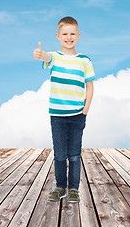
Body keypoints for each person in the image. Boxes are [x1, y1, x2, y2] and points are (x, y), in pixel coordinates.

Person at [33, 16, 95, 203]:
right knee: (60, 153)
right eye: (65, 34)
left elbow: (90, 85)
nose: (69, 37)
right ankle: (61, 187)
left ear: (79, 35)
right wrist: (40, 54)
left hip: (78, 114)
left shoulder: (85, 60)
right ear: (58, 36)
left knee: (75, 154)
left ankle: (74, 189)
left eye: (72, 33)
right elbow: (46, 57)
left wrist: (86, 109)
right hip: (58, 116)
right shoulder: (55, 57)